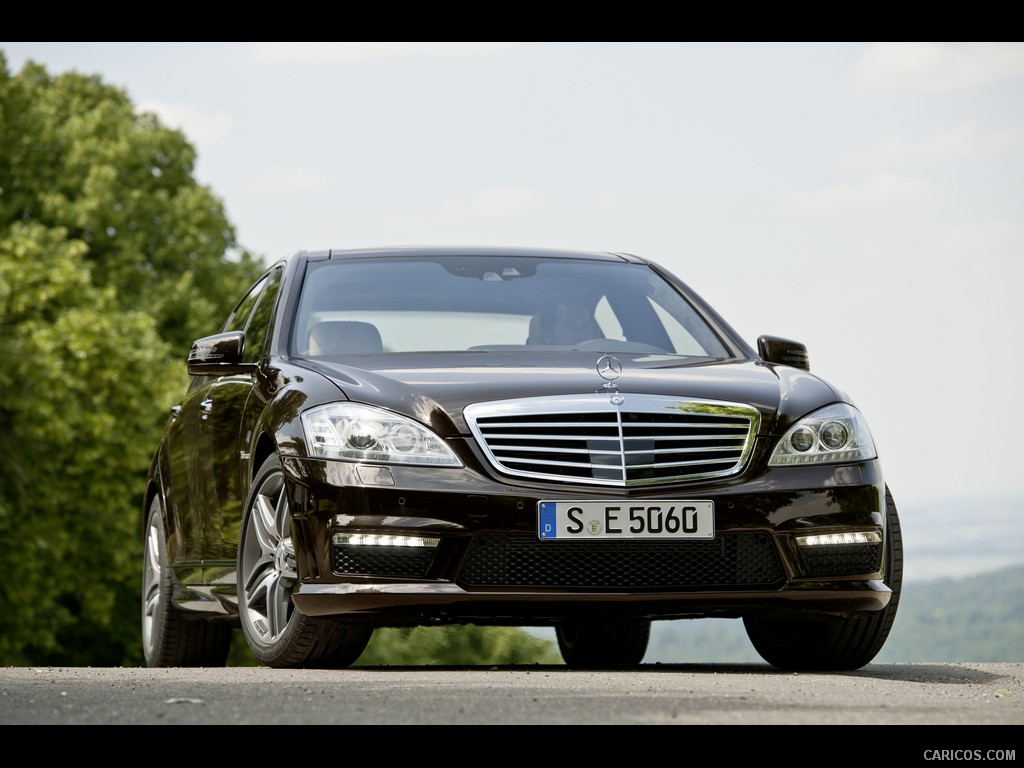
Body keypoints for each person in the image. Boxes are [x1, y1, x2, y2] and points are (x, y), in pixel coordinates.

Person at [528, 298, 602, 345]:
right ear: (547, 336)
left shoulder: (606, 364)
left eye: (586, 326)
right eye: (568, 326)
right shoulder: (535, 370)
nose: (581, 334)